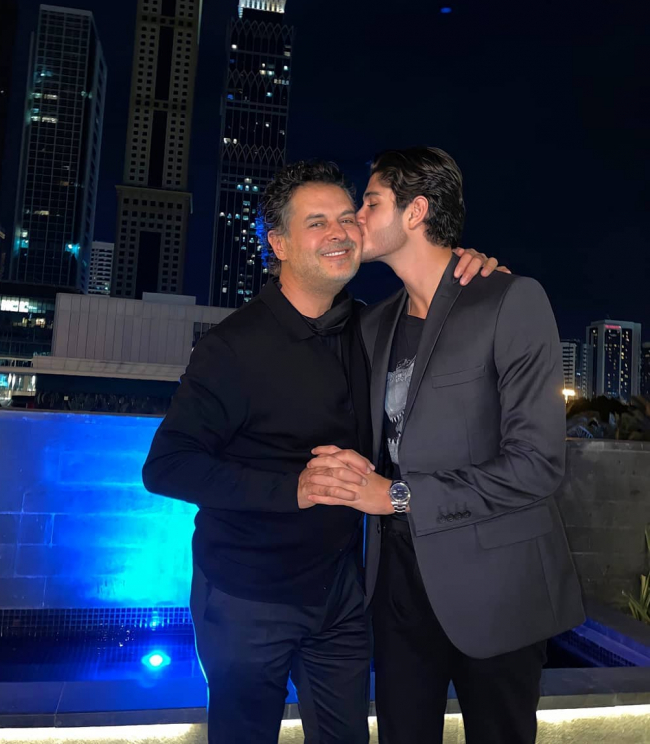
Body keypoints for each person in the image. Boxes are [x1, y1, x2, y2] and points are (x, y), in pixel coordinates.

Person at [142, 159, 498, 744]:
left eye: (347, 217)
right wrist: (295, 489)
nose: (339, 232)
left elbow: (438, 310)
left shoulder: (373, 330)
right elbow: (167, 466)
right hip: (245, 595)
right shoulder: (233, 347)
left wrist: (472, 270)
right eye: (316, 222)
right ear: (279, 243)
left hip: (341, 596)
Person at [307, 147, 585, 744]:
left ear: (416, 212)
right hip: (397, 589)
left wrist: (396, 496)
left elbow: (537, 465)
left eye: (371, 202)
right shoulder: (371, 324)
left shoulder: (509, 300)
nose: (357, 216)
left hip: (498, 586)